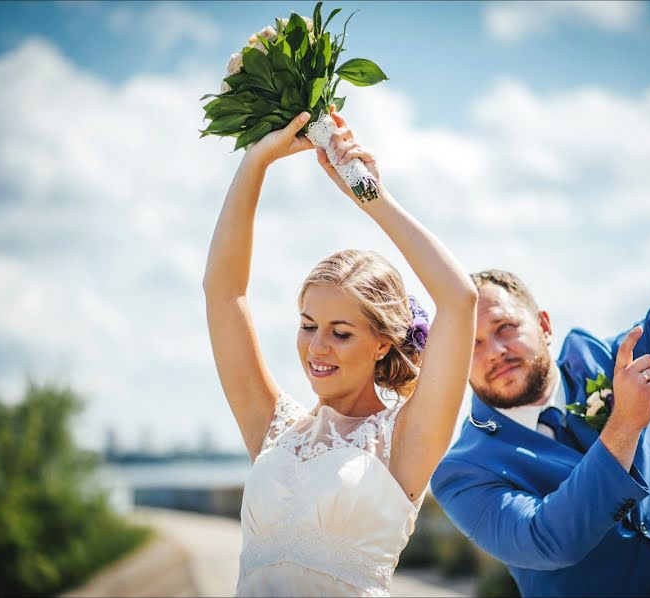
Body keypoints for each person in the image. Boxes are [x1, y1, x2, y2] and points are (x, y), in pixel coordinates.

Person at [202, 107, 477, 597]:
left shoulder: (405, 440)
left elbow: (459, 300)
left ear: (382, 343)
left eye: (341, 332)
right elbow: (224, 294)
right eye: (308, 325)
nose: (317, 346)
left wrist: (370, 194)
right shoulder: (275, 428)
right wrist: (255, 161)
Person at [430, 270, 650, 597]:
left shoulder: (601, 363)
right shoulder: (462, 472)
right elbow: (545, 540)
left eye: (505, 327)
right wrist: (623, 424)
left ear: (544, 325)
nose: (494, 351)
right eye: (471, 344)